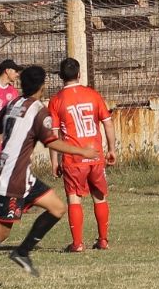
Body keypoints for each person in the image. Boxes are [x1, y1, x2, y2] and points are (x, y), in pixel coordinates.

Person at [0, 65, 99, 289]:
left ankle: (23, 251)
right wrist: (82, 152)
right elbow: (52, 142)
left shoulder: (13, 103)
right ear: (42, 87)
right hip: (12, 178)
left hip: (21, 174)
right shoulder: (39, 111)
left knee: (57, 208)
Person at [48, 57, 117, 252]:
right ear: (79, 74)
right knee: (99, 196)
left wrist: (54, 161)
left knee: (73, 198)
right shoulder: (93, 95)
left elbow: (53, 135)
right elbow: (108, 123)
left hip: (73, 158)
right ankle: (103, 240)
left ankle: (77, 244)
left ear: (61, 77)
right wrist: (111, 149)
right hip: (95, 155)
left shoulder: (56, 101)